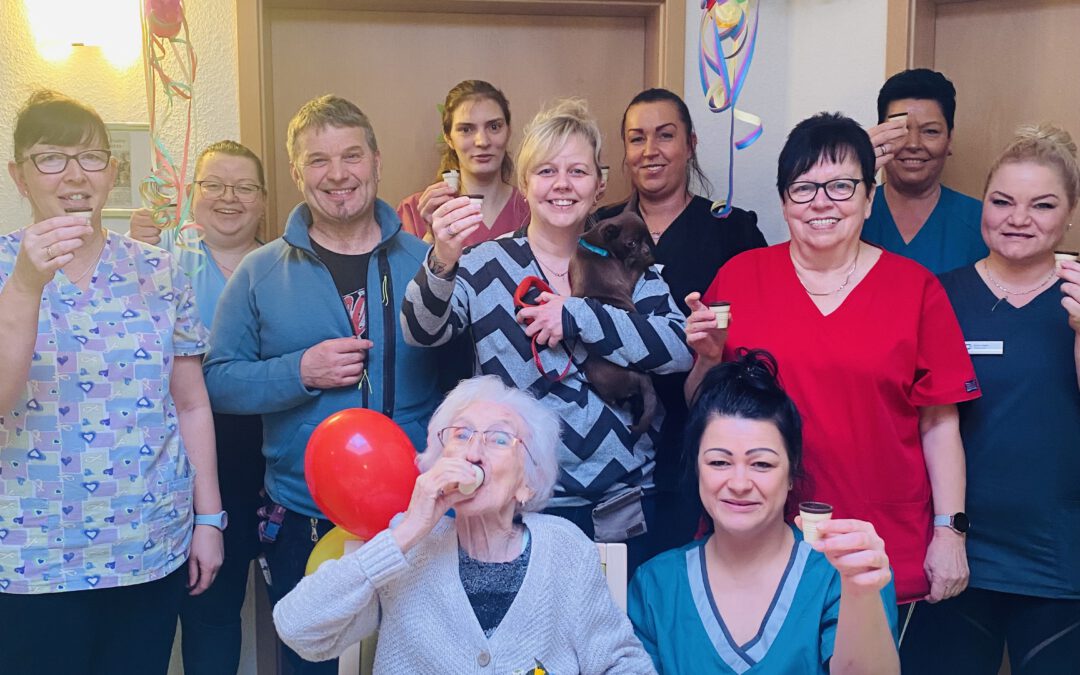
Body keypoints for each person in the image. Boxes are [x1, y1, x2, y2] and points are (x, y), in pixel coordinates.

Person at [685, 112, 980, 610]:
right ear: (783, 201)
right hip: (759, 537)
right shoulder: (739, 277)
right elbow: (702, 408)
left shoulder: (915, 289)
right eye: (803, 188)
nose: (821, 202)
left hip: (881, 537)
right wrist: (706, 361)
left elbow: (939, 423)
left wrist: (950, 532)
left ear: (869, 198)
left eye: (842, 186)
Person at [203, 94, 444, 674]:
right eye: (317, 160)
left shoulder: (428, 263)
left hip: (414, 519)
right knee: (311, 666)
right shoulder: (259, 272)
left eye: (351, 155)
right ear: (295, 172)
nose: (337, 175)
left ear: (377, 162)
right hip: (303, 519)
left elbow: (465, 377)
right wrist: (298, 372)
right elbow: (216, 382)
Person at [401, 98, 693, 574]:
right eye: (546, 171)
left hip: (619, 510)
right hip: (514, 510)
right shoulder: (482, 264)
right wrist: (441, 260)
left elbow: (679, 348)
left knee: (614, 644)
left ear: (599, 185)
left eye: (577, 172)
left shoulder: (626, 255)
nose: (562, 185)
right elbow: (421, 331)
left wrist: (578, 317)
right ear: (525, 183)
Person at [0, 90, 222, 674]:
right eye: (51, 157)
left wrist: (209, 520)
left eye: (92, 157)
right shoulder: (4, 270)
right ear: (18, 175)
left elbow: (191, 405)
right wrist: (24, 285)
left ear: (113, 170)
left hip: (148, 543)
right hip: (30, 556)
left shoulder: (158, 268)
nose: (75, 175)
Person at [273, 375, 655, 673]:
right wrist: (406, 532)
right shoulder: (407, 545)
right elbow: (298, 629)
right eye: (461, 434)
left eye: (499, 439)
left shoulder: (565, 549)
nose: (474, 451)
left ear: (527, 482)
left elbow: (621, 664)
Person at [901, 125, 1080, 673]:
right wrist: (943, 534)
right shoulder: (938, 293)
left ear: (1070, 213)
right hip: (956, 550)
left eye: (1042, 205)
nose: (1018, 218)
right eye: (1002, 201)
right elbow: (917, 418)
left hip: (1060, 556)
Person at [629, 350, 899, 674]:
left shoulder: (844, 572)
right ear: (696, 469)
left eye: (761, 464)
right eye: (719, 462)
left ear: (791, 473)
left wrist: (860, 592)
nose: (740, 483)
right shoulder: (655, 584)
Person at [595, 87, 768, 551]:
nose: (650, 151)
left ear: (690, 144)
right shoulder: (599, 227)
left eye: (664, 136)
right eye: (636, 139)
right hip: (614, 437)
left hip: (705, 434)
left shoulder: (731, 228)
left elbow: (757, 336)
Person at [128, 140, 267, 675]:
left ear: (261, 199)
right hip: (180, 453)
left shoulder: (282, 263)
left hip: (265, 449)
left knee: (227, 603)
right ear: (192, 195)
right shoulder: (159, 261)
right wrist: (137, 260)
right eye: (214, 185)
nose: (228, 199)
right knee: (185, 600)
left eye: (244, 187)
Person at [863, 68, 988, 274]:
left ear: (949, 139)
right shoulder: (850, 216)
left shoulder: (983, 222)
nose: (913, 144)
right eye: (899, 130)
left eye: (930, 131)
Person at [397, 79, 529, 244]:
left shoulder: (533, 209)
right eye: (466, 129)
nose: (482, 141)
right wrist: (431, 237)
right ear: (449, 138)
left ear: (508, 131)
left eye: (494, 127)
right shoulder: (414, 212)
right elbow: (407, 271)